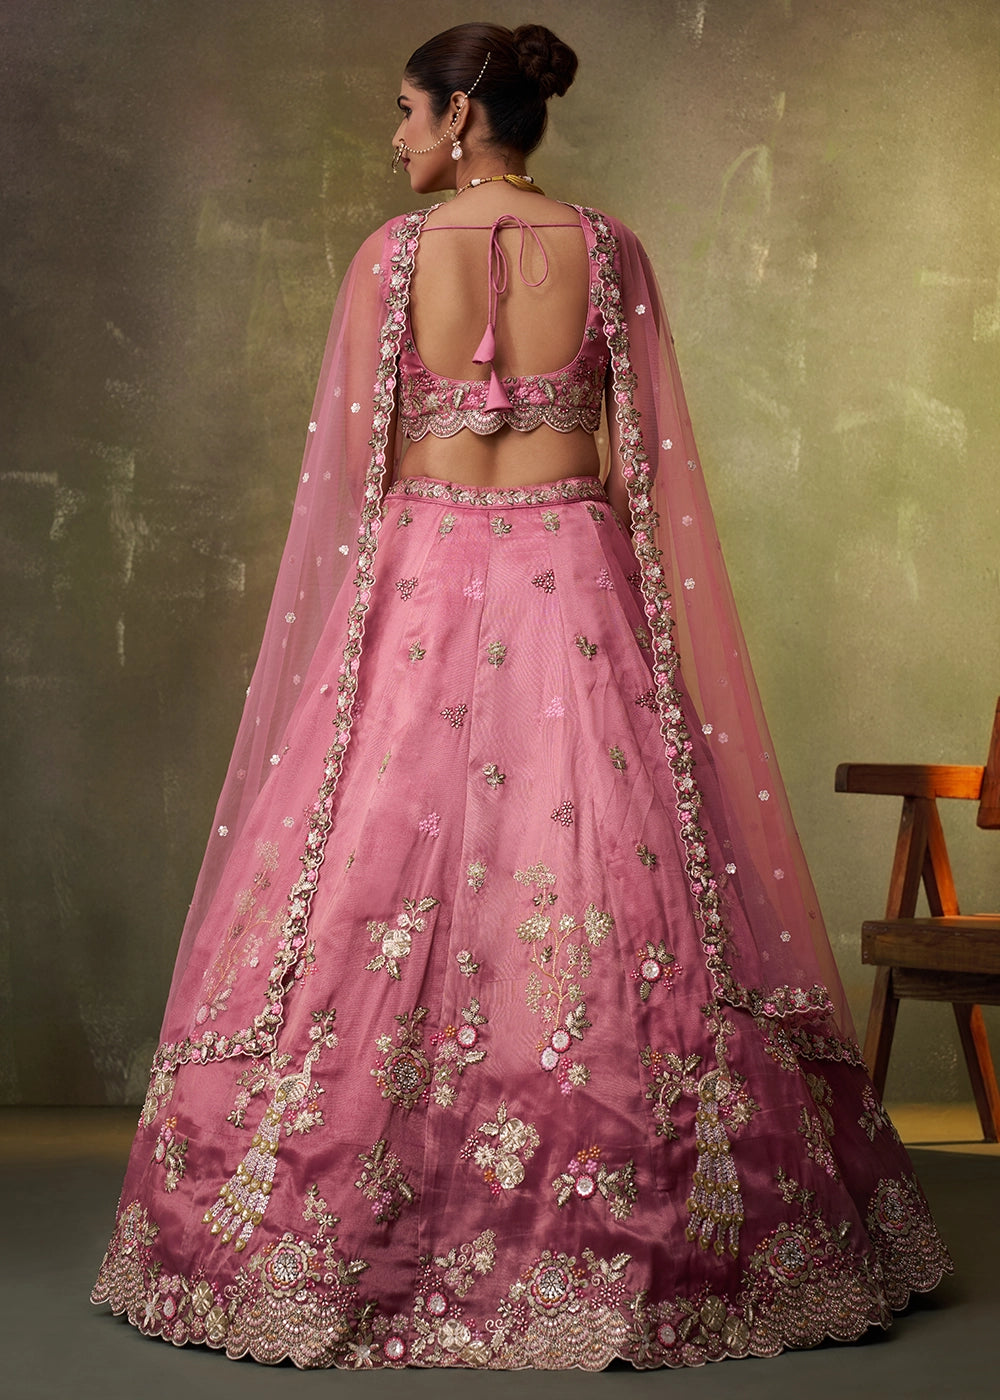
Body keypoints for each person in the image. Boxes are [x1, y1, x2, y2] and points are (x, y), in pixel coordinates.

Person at [92, 21, 951, 1370]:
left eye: (406, 111)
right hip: (576, 583)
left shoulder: (390, 259)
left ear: (459, 117)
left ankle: (347, 1225)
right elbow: (645, 469)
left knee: (371, 870)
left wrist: (400, 585)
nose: (394, 138)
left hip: (426, 578)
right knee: (609, 872)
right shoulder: (609, 253)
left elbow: (356, 475)